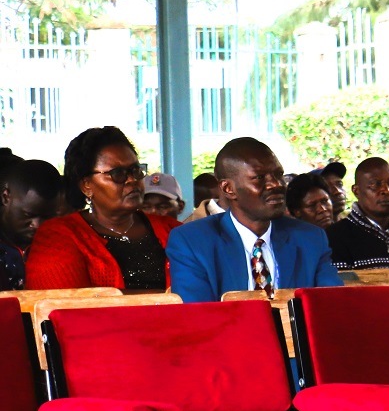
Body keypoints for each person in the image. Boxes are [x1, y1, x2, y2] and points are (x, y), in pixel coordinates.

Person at [165, 138, 344, 304]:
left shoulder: (310, 238)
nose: (277, 184)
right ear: (228, 189)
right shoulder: (192, 242)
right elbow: (200, 316)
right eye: (260, 178)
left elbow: (332, 305)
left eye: (278, 174)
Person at [27, 127, 178, 292]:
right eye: (118, 174)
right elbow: (66, 304)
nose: (132, 180)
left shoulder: (172, 230)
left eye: (135, 170)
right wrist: (166, 300)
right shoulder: (57, 237)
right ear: (86, 185)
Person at [326, 157, 389, 282]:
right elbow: (340, 286)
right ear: (356, 191)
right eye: (375, 184)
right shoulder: (335, 237)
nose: (387, 190)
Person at [0, 160, 64, 291]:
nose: (37, 225)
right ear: (6, 197)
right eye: (28, 215)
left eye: (47, 217)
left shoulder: (63, 242)